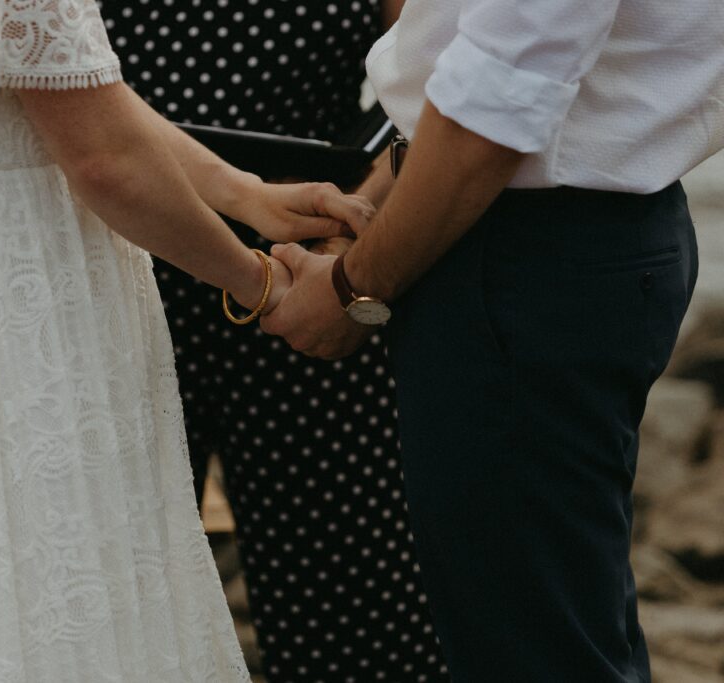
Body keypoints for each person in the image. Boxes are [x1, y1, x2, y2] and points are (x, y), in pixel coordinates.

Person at [0, 0, 372, 679]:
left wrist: (241, 193)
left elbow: (73, 95)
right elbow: (103, 158)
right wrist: (261, 285)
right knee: (52, 584)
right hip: (14, 290)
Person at [262, 0, 724, 680]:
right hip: (577, 233)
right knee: (568, 620)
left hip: (521, 253)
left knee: (535, 651)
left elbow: (495, 104)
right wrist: (370, 211)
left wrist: (349, 292)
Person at [99, 2, 450, 681]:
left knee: (355, 609)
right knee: (113, 598)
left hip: (313, 272)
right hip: (115, 274)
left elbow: (436, 82)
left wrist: (354, 233)